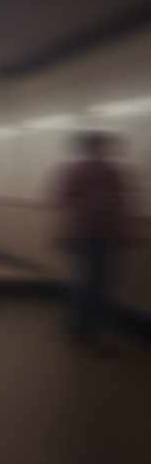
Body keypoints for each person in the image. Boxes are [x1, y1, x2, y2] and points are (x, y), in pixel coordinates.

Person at [50, 131, 139, 356]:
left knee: (102, 285)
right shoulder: (74, 171)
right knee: (87, 284)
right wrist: (63, 230)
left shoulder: (113, 173)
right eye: (99, 147)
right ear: (88, 149)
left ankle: (85, 330)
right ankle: (82, 331)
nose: (103, 152)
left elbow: (121, 204)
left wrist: (126, 230)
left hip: (106, 236)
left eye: (105, 147)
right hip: (82, 235)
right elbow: (62, 201)